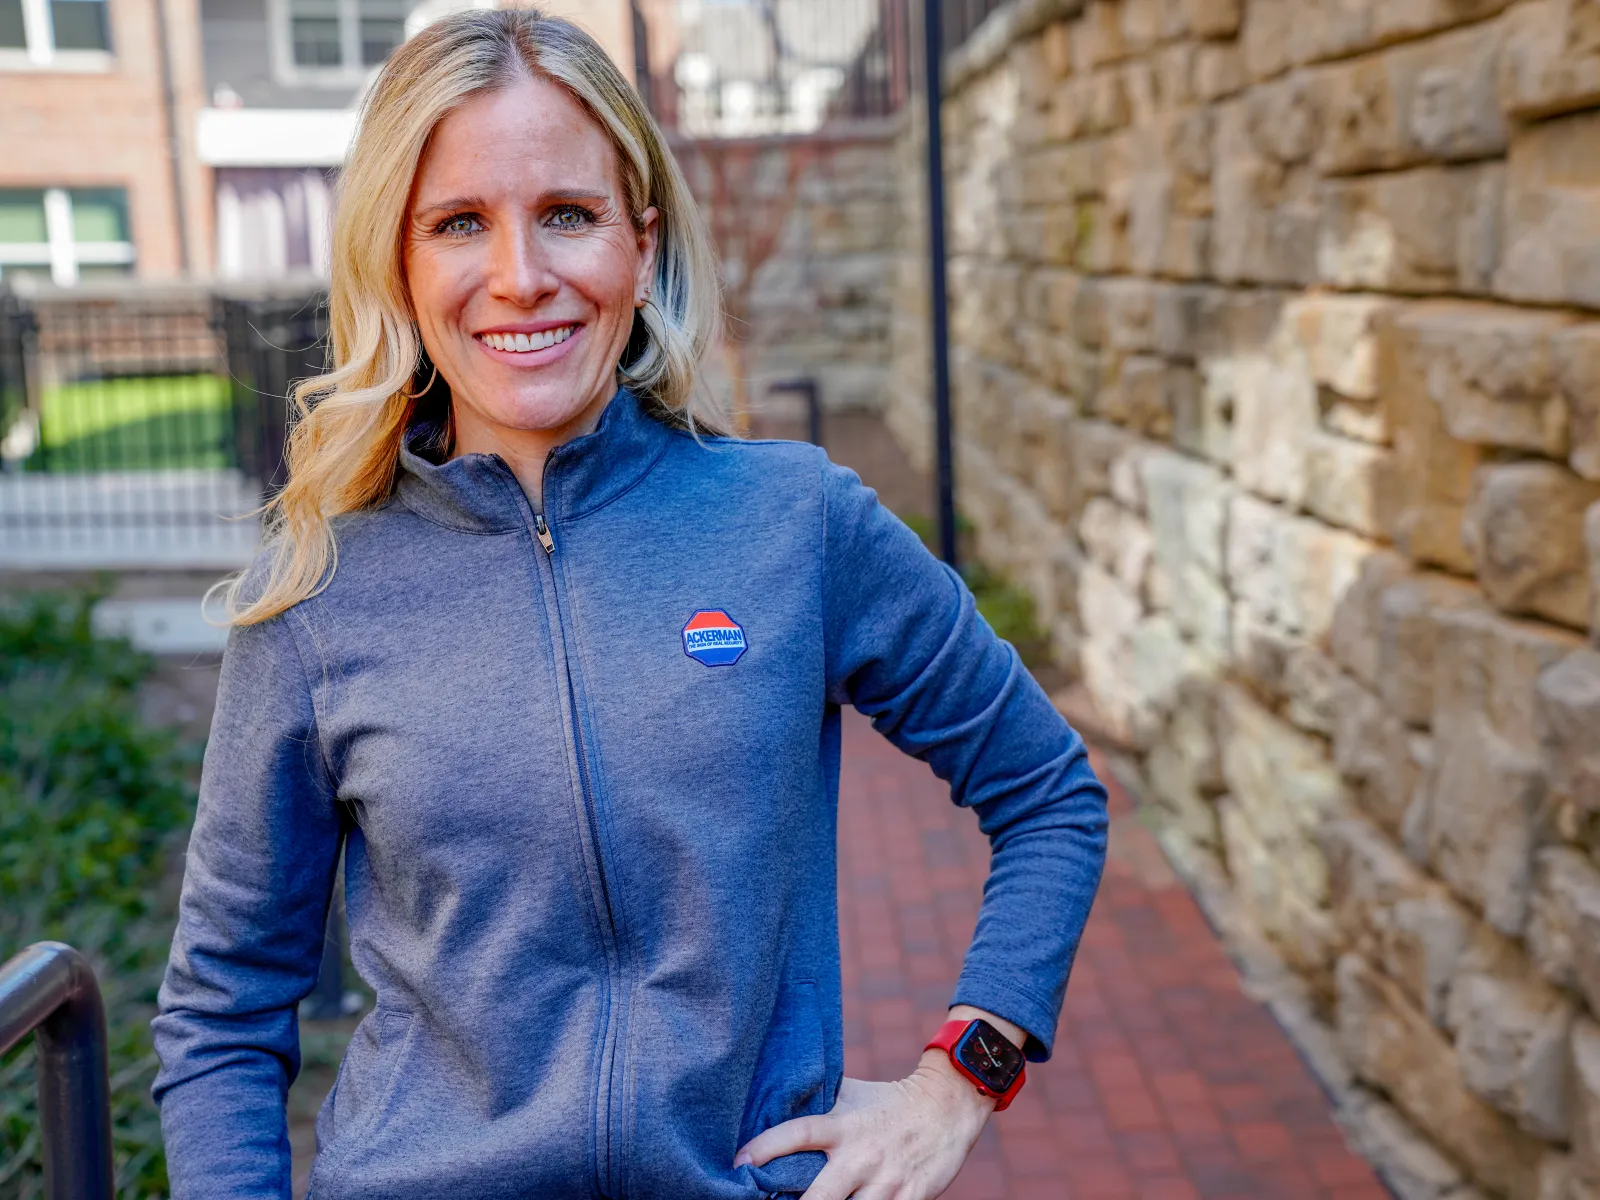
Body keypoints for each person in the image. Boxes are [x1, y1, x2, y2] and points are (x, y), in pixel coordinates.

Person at [151, 9, 1108, 1199]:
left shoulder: (794, 522)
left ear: (640, 243)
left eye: (567, 214)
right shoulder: (317, 596)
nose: (520, 276)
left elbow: (1048, 794)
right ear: (400, 261)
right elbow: (223, 1010)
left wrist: (960, 1078)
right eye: (459, 223)